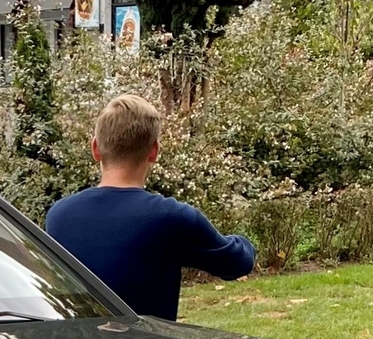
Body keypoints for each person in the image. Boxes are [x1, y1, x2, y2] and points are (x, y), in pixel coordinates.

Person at [43, 93, 255, 319]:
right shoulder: (171, 218)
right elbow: (236, 263)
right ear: (153, 151)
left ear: (95, 148)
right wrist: (245, 243)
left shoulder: (58, 216)